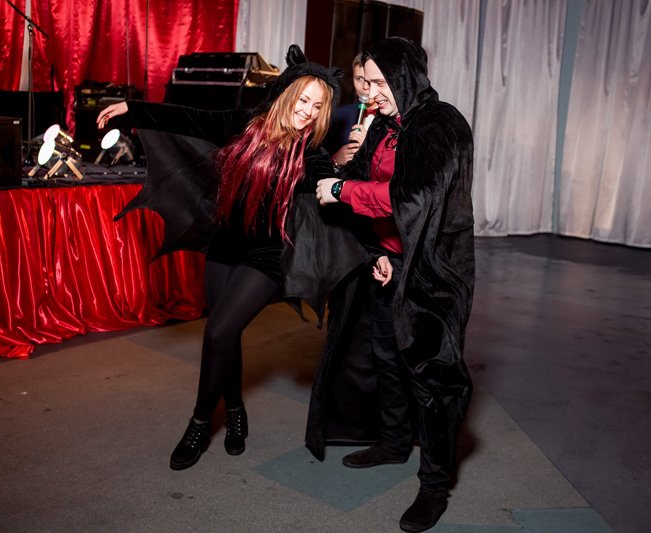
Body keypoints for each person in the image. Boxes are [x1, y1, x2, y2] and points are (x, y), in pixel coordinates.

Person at [96, 46, 364, 471]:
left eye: (318, 107)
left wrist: (348, 170)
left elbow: (332, 190)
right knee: (226, 334)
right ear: (286, 96)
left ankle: (200, 423)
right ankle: (236, 410)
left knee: (218, 331)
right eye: (304, 101)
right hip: (224, 243)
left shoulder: (310, 155)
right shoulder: (245, 125)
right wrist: (133, 108)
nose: (309, 112)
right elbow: (190, 117)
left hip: (269, 255)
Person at [311, 37, 475, 533]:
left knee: (432, 379)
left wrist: (342, 189)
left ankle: (434, 486)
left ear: (407, 78)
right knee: (386, 355)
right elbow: (363, 177)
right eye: (366, 83)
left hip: (433, 270)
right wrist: (379, 249)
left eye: (380, 83)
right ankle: (394, 440)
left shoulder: (440, 123)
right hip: (391, 259)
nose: (370, 92)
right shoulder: (383, 124)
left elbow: (415, 196)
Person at [325, 53, 376, 168]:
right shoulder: (340, 115)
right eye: (359, 79)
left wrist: (368, 148)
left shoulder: (396, 120)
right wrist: (335, 160)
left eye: (371, 80)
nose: (364, 87)